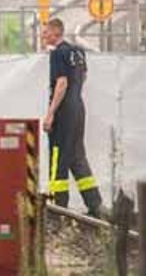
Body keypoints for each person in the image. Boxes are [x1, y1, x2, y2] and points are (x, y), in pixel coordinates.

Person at [42, 18, 103, 217]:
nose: (43, 36)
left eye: (46, 33)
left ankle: (59, 208)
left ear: (56, 32)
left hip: (64, 112)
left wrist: (50, 114)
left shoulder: (58, 53)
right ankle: (94, 204)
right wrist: (74, 96)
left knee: (58, 156)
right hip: (78, 107)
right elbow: (83, 76)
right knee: (77, 156)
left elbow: (61, 83)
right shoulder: (78, 51)